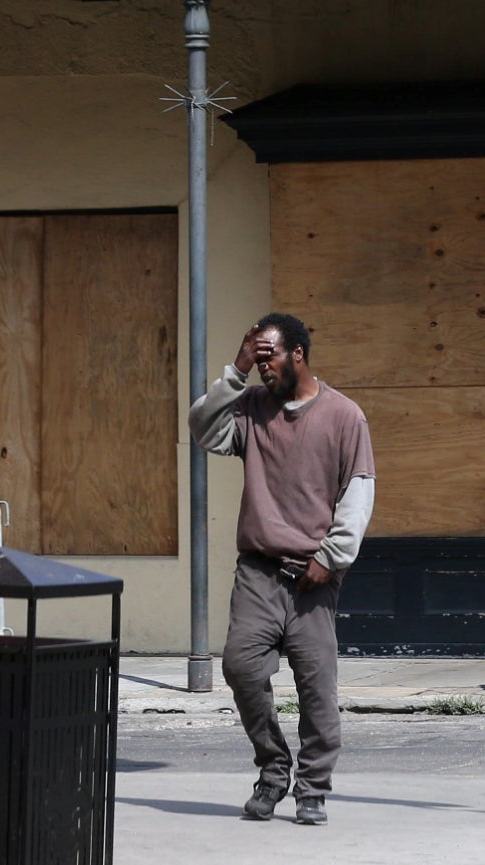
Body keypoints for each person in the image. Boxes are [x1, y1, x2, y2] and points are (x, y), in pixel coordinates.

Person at [190, 313, 375, 826]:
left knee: (317, 690)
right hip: (258, 570)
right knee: (241, 668)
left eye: (269, 355)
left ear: (298, 352)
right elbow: (202, 429)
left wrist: (330, 558)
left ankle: (312, 788)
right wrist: (237, 369)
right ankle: (273, 770)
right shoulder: (250, 408)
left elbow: (358, 494)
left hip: (313, 574)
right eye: (258, 357)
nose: (264, 367)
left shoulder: (344, 416)